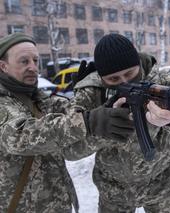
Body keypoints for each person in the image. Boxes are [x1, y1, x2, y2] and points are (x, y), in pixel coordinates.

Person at [0, 33, 134, 212]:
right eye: (24, 61)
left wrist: (90, 93)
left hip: (57, 204)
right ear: (3, 66)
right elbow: (20, 136)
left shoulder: (38, 99)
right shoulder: (4, 103)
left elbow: (72, 112)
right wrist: (88, 121)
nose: (33, 67)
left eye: (35, 60)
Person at [72, 34, 170, 213]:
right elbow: (70, 149)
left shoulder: (159, 79)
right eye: (114, 79)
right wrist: (99, 127)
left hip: (163, 187)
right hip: (114, 194)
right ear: (102, 78)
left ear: (138, 64)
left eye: (130, 73)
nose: (125, 82)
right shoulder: (91, 91)